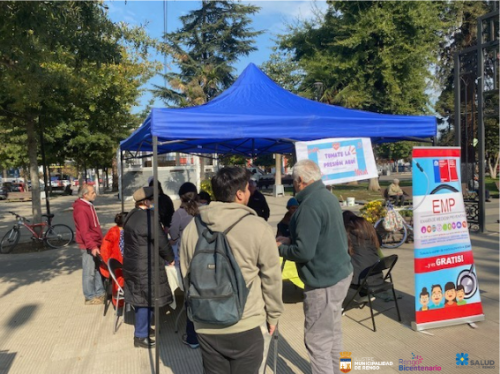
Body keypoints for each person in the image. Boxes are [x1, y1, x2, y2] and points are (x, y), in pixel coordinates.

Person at [180, 167, 283, 374]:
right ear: (239, 194)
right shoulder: (258, 227)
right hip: (246, 322)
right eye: (247, 188)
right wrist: (273, 315)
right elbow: (271, 278)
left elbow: (186, 275)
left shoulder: (193, 227)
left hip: (205, 323)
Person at [277, 160, 353, 374]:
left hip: (324, 281)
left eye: (293, 181)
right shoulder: (327, 196)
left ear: (300, 181)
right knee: (334, 332)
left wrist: (280, 249)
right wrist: (290, 239)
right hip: (340, 275)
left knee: (317, 341)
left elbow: (304, 252)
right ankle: (342, 370)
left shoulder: (309, 206)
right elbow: (318, 236)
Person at [122, 186, 175, 349]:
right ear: (146, 201)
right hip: (145, 265)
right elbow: (161, 240)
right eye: (152, 200)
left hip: (133, 263)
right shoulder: (149, 218)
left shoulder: (131, 215)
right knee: (145, 300)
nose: (154, 203)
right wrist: (170, 258)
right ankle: (140, 336)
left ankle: (143, 330)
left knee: (142, 298)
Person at [170, 182, 200, 349]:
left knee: (190, 299)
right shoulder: (203, 210)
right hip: (205, 259)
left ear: (181, 196)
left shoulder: (179, 214)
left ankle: (193, 338)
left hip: (186, 262)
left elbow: (173, 235)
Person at [73, 184, 106, 305]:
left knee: (97, 269)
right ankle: (89, 296)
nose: (95, 194)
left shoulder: (88, 205)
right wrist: (92, 246)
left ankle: (99, 292)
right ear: (85, 194)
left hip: (95, 243)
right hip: (89, 244)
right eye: (92, 192)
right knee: (89, 271)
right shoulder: (81, 209)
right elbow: (84, 231)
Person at [343, 212, 384, 293]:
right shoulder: (370, 231)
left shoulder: (348, 233)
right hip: (376, 275)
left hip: (359, 278)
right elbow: (380, 243)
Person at [99, 212, 127, 307]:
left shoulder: (123, 231)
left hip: (124, 261)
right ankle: (120, 303)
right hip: (116, 264)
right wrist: (109, 265)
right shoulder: (113, 232)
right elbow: (105, 251)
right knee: (119, 279)